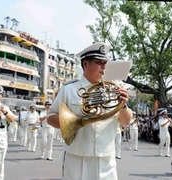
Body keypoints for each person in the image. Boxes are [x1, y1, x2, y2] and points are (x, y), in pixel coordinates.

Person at [47, 42, 132, 180]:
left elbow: (126, 121)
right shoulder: (69, 89)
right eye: (99, 62)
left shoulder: (115, 89)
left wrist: (123, 105)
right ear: (85, 64)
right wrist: (76, 119)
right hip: (77, 158)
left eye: (105, 63)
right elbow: (50, 117)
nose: (104, 67)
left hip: (105, 158)